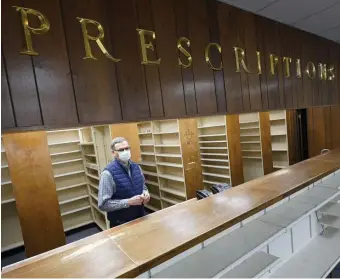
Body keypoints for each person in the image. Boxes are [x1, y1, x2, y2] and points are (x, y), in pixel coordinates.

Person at [98, 137, 150, 228]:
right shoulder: (108, 173)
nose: (125, 151)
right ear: (113, 153)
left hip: (140, 217)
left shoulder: (137, 167)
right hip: (120, 223)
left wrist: (146, 193)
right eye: (121, 150)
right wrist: (128, 202)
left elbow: (143, 186)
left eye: (127, 148)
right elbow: (103, 204)